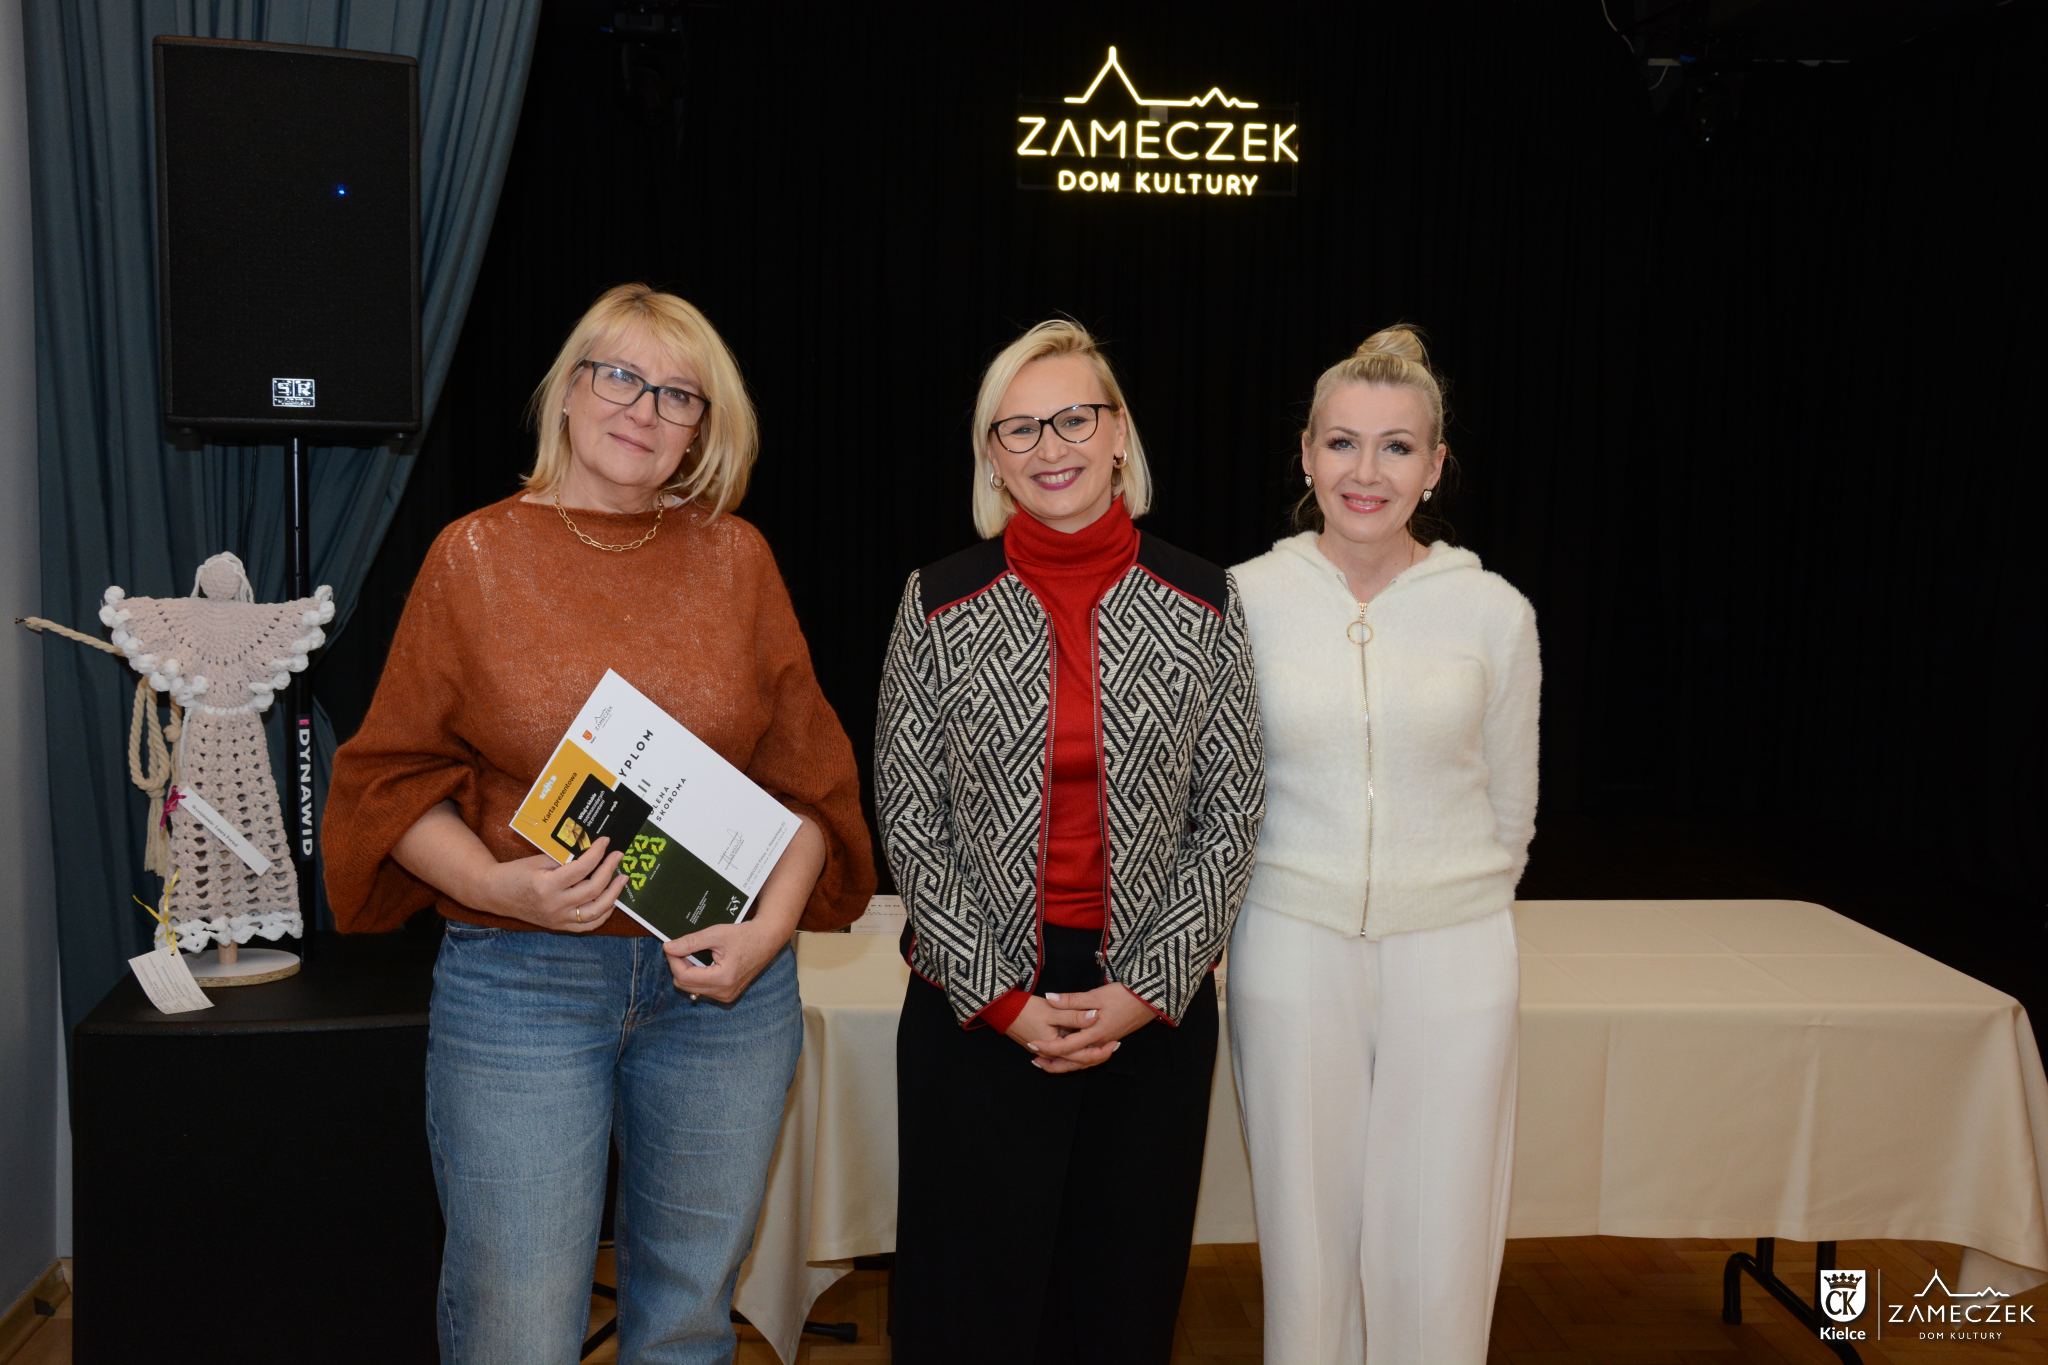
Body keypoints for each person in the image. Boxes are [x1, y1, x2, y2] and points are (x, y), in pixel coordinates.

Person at [322, 283, 875, 1364]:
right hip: (519, 982)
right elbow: (391, 782)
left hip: (720, 992)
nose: (643, 408)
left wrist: (765, 938)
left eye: (678, 394)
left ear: (701, 429)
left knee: (687, 1325)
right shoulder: (473, 556)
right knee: (518, 1329)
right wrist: (494, 884)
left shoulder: (737, 560)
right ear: (567, 393)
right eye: (619, 375)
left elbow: (811, 797)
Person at [873, 318, 1265, 1363]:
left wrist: (1147, 987)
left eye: (1074, 419)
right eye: (1019, 428)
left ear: (1118, 433)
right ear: (991, 457)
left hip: (1148, 1015)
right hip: (975, 1010)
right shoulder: (936, 601)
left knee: (1118, 1316)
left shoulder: (1204, 599)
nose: (1050, 447)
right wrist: (1002, 1000)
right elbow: (909, 816)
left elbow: (1230, 813)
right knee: (966, 1322)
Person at [1228, 324, 1539, 1364]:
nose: (1366, 473)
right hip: (1289, 937)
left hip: (1454, 951)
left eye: (1396, 446)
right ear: (1304, 454)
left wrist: (1456, 909)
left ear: (1435, 465)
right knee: (1305, 1235)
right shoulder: (1241, 599)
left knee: (1437, 1239)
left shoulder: (1492, 613)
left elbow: (1510, 808)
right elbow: (1215, 789)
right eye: (1342, 443)